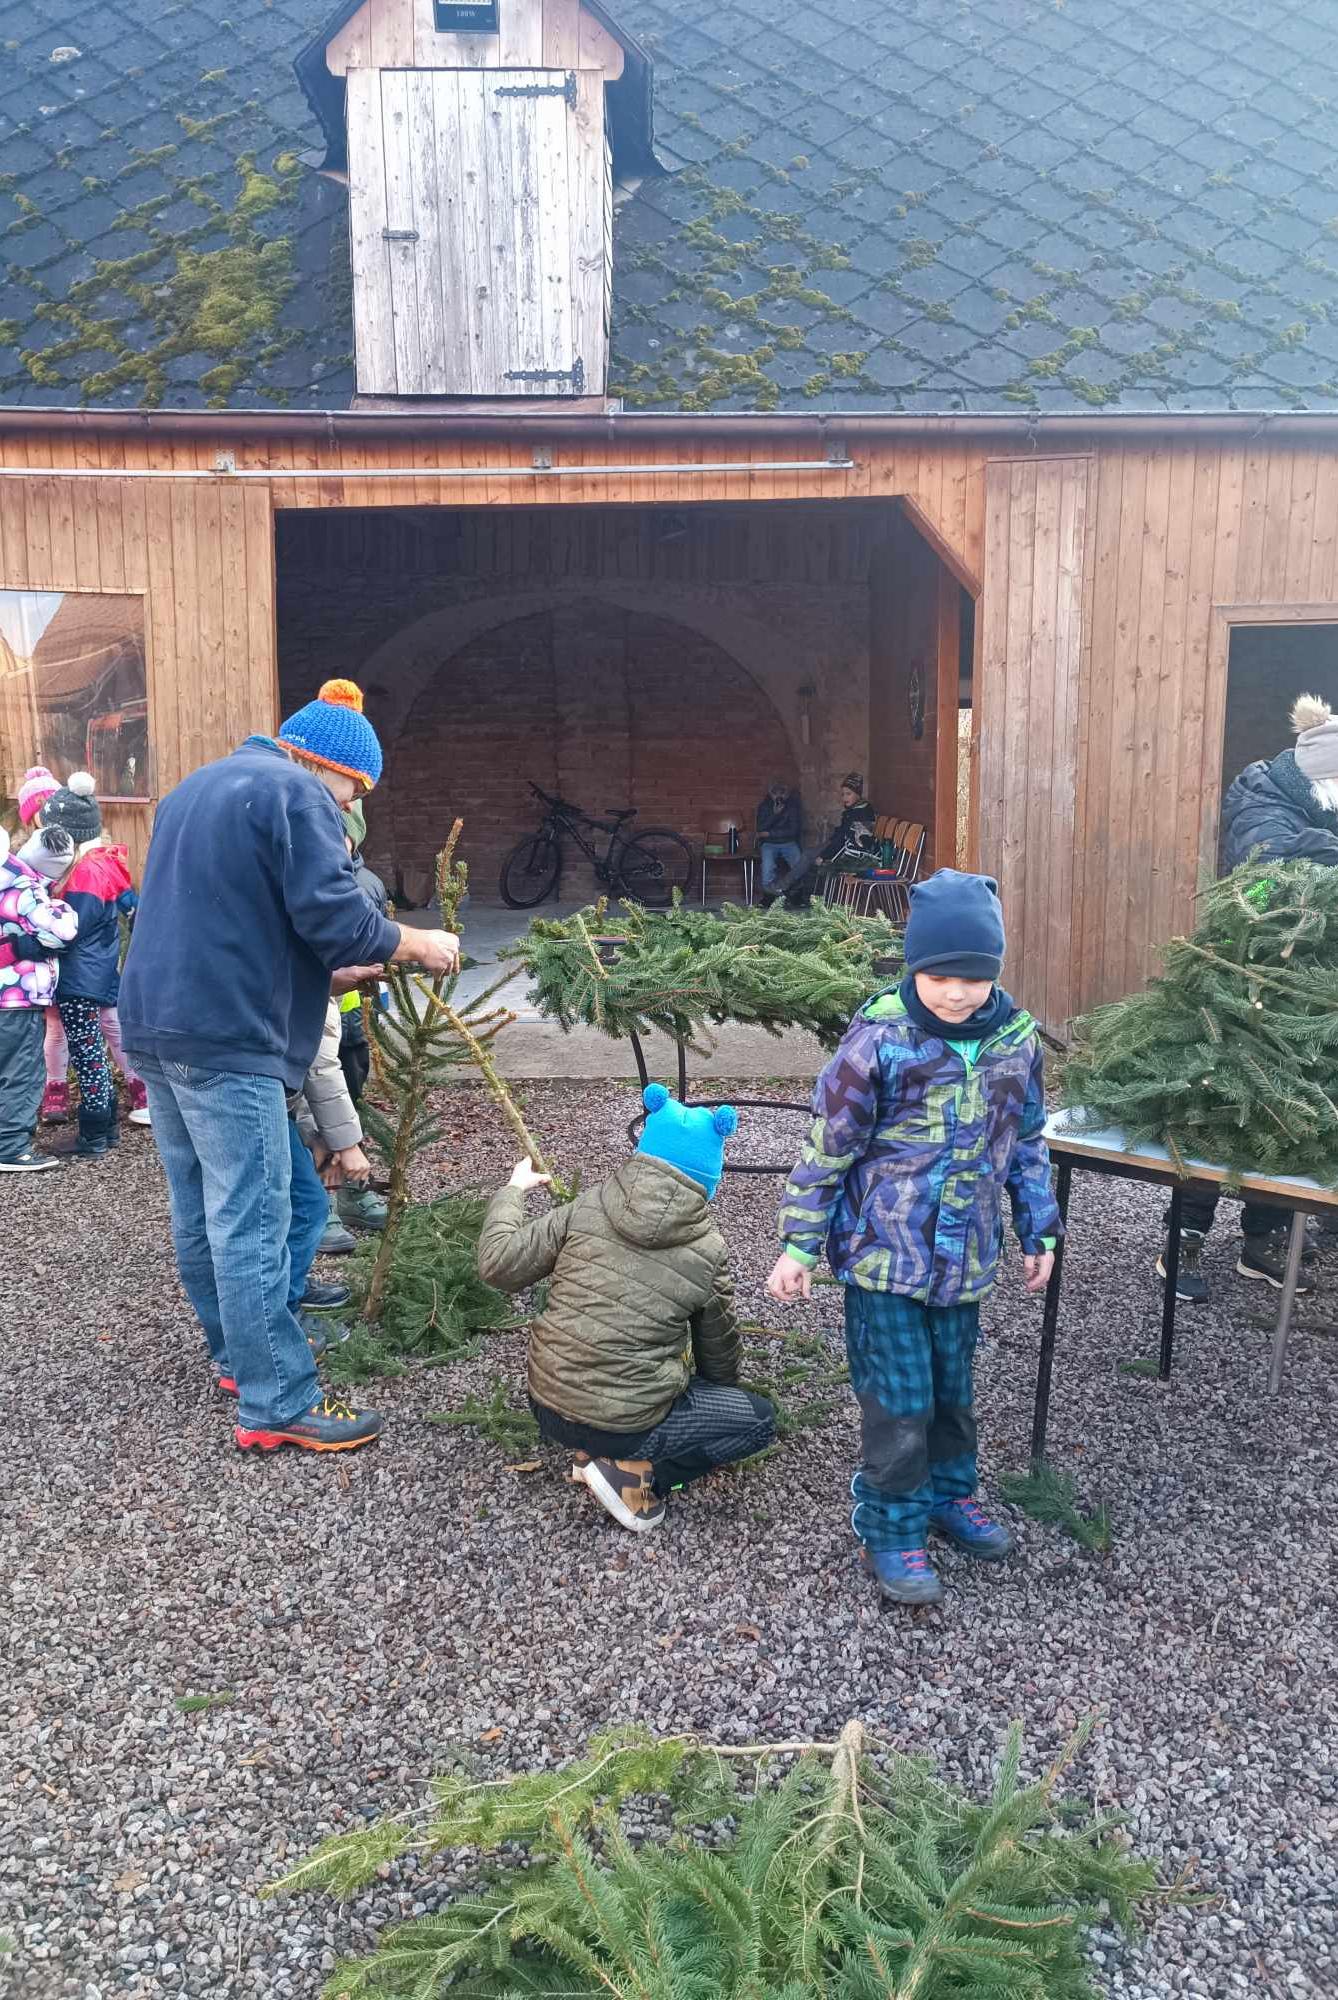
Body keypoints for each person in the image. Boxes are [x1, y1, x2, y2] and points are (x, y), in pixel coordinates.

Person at [118, 678, 460, 1455]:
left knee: (199, 1205)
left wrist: (321, 976)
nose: (350, 807)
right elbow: (340, 917)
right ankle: (276, 1400)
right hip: (228, 1036)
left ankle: (236, 1359)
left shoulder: (194, 789)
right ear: (330, 765)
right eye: (355, 791)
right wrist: (416, 942)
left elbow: (235, 916)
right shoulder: (296, 793)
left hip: (156, 1025)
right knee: (254, 1216)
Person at [767, 870, 1059, 1608]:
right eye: (939, 976)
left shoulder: (1017, 1042)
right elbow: (828, 1146)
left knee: (953, 1391)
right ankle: (891, 1526)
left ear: (995, 971)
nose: (956, 993)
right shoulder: (880, 1041)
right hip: (883, 1260)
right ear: (914, 966)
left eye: (973, 977)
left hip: (966, 1261)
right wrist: (800, 1245)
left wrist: (1039, 1227)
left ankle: (949, 1495)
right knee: (900, 1399)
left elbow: (1027, 1143)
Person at [478, 1085, 776, 1534]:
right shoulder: (708, 1251)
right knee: (759, 1421)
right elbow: (719, 1361)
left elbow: (498, 1265)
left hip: (546, 1404)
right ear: (708, 1180)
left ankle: (592, 1454)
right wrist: (711, 1400)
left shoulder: (587, 1205)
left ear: (642, 1155)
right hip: (626, 1426)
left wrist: (513, 1190)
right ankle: (636, 1477)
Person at [1155, 692, 1338, 1304]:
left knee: (1292, 1108)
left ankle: (1264, 1237)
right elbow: (1258, 881)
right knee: (1221, 1098)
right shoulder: (1261, 798)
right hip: (1246, 977)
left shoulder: (1320, 806)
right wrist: (1321, 854)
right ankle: (1184, 1235)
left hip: (1312, 988)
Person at [37, 773, 141, 1159]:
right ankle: (107, 1126)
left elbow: (69, 929)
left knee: (87, 1053)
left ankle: (93, 1134)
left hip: (80, 975)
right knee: (92, 1048)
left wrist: (30, 939)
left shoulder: (82, 876)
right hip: (98, 970)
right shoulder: (103, 864)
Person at [0, 824, 79, 1173]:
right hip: (16, 997)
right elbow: (61, 932)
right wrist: (61, 908)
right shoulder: (22, 886)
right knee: (21, 1071)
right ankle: (10, 1147)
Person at [780, 772, 878, 910]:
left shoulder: (860, 812)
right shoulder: (855, 809)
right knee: (808, 854)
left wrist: (825, 856)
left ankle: (795, 893)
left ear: (858, 794)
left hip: (854, 854)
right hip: (840, 845)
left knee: (813, 860)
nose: (844, 798)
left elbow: (847, 841)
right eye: (843, 794)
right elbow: (841, 835)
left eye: (848, 794)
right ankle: (792, 890)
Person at [755, 780, 803, 895]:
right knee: (767, 868)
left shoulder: (792, 806)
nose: (778, 796)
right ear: (770, 793)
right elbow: (760, 828)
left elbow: (793, 831)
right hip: (769, 843)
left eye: (781, 793)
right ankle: (769, 894)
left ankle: (797, 893)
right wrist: (774, 815)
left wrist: (769, 833)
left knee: (800, 866)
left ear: (786, 794)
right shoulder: (764, 806)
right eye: (775, 793)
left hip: (788, 842)